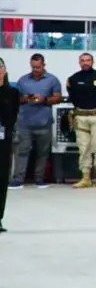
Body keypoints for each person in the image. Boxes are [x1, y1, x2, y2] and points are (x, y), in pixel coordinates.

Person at [10, 53, 61, 188]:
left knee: (42, 153)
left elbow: (58, 98)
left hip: (44, 123)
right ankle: (18, 179)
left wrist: (45, 99)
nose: (35, 69)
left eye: (38, 67)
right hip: (24, 123)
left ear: (44, 65)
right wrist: (26, 98)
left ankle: (39, 179)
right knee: (22, 152)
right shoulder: (22, 80)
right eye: (33, 67)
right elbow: (16, 99)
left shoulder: (52, 80)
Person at [66, 52, 96, 188]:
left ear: (93, 62)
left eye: (88, 60)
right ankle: (85, 177)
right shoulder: (73, 79)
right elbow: (72, 97)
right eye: (82, 60)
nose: (85, 62)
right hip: (81, 117)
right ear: (79, 62)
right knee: (83, 147)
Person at [0, 58, 18, 232]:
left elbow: (12, 116)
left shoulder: (12, 93)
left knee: (1, 178)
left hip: (3, 139)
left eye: (0, 67)